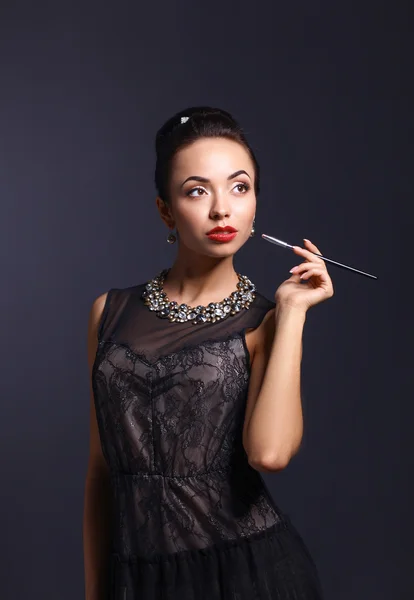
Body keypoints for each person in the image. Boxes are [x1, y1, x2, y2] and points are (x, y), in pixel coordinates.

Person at [83, 106, 334, 599]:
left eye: (240, 187)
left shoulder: (267, 320)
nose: (223, 209)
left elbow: (270, 453)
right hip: (137, 578)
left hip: (247, 575)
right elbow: (101, 469)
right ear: (165, 210)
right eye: (198, 190)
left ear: (255, 201)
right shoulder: (108, 312)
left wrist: (292, 314)